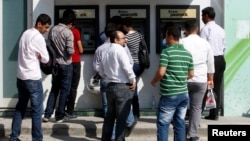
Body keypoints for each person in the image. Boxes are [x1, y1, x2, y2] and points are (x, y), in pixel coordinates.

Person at [9, 14, 51, 141]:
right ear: (39, 24)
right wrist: (39, 56)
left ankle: (14, 136)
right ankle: (37, 139)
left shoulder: (25, 33)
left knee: (20, 108)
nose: (47, 30)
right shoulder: (38, 38)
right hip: (33, 78)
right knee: (37, 111)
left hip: (21, 77)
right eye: (46, 27)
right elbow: (46, 58)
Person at [151, 26, 194, 141]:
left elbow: (161, 72)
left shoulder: (166, 52)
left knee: (163, 124)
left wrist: (154, 81)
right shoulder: (187, 53)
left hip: (170, 94)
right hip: (184, 94)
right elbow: (191, 74)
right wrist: (180, 77)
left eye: (165, 36)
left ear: (170, 37)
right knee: (179, 123)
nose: (164, 39)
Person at [181, 20, 215, 141]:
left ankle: (181, 132)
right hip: (200, 79)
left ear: (185, 29)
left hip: (184, 78)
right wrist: (210, 79)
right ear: (196, 29)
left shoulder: (182, 42)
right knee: (196, 108)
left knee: (182, 106)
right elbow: (210, 62)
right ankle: (193, 134)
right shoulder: (205, 43)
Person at [99, 30, 136, 141]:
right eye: (123, 38)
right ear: (116, 40)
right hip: (122, 87)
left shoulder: (106, 51)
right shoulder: (120, 50)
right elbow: (127, 67)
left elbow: (100, 70)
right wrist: (133, 79)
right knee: (121, 119)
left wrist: (108, 77)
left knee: (109, 117)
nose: (126, 39)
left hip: (110, 86)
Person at [43, 12, 75, 123]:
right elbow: (70, 51)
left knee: (54, 90)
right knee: (65, 91)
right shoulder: (68, 32)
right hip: (66, 64)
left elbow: (50, 46)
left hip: (55, 63)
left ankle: (47, 114)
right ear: (70, 24)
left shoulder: (52, 29)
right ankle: (59, 116)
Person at [200, 7, 226, 120]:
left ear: (206, 16)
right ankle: (214, 113)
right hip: (220, 60)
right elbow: (224, 46)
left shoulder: (205, 29)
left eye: (202, 15)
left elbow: (202, 47)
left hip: (211, 61)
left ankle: (198, 110)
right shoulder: (221, 29)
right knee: (216, 87)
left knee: (206, 86)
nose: (201, 18)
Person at [123, 17, 146, 118]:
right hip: (140, 64)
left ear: (125, 26)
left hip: (132, 65)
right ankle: (136, 112)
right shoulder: (140, 35)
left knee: (132, 89)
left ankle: (134, 113)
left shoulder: (126, 37)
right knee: (134, 86)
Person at [63, 9, 84, 119]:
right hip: (75, 61)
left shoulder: (60, 30)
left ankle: (62, 110)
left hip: (65, 62)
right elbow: (80, 50)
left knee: (65, 86)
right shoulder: (75, 31)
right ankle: (70, 111)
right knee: (73, 87)